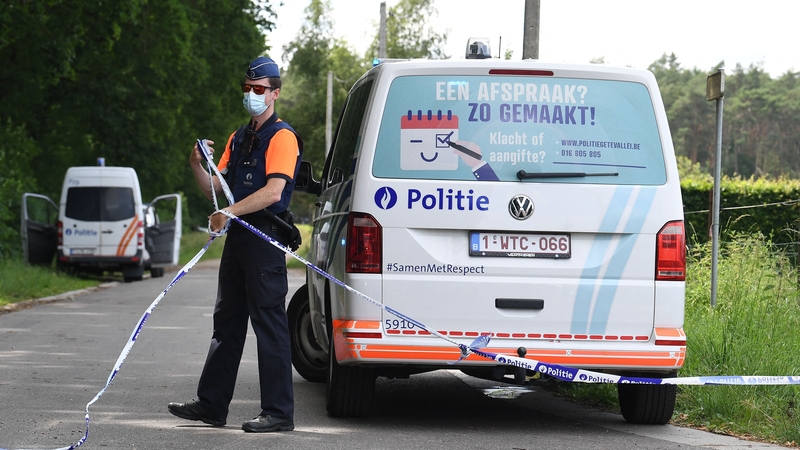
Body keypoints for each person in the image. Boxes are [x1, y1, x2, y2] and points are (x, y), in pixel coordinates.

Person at [168, 56, 302, 433]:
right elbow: (216, 188)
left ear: (275, 93)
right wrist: (197, 164)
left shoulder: (282, 137)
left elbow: (273, 191)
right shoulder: (239, 137)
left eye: (259, 90)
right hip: (238, 237)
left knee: (269, 326)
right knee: (226, 322)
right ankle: (212, 406)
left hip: (264, 238)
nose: (251, 95)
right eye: (247, 89)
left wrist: (230, 211)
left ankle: (278, 413)